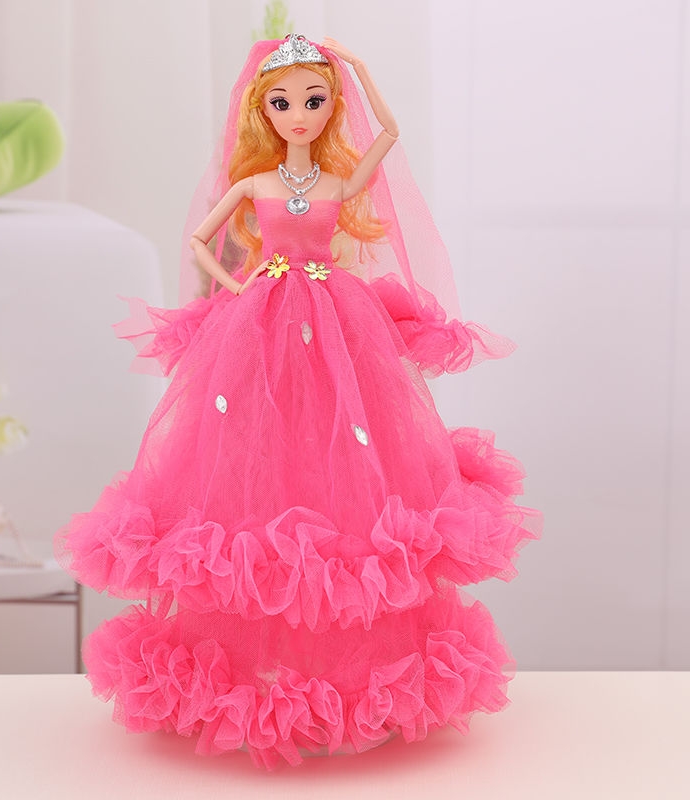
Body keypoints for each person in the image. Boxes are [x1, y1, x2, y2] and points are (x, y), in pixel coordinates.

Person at [56, 35, 541, 769]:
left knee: (349, 450)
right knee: (255, 452)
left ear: (331, 106)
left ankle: (351, 678)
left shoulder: (339, 184)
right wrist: (239, 284)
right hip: (261, 318)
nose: (299, 114)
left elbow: (390, 135)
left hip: (339, 318)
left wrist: (362, 71)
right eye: (283, 103)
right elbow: (200, 239)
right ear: (264, 112)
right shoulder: (255, 183)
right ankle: (252, 674)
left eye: (314, 100)